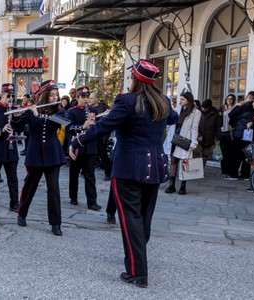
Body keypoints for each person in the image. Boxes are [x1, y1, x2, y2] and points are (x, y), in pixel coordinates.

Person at [69, 59, 178, 288]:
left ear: (135, 79)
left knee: (131, 220)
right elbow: (175, 118)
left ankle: (137, 272)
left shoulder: (128, 101)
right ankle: (136, 259)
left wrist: (78, 140)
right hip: (155, 166)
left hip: (129, 166)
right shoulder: (163, 101)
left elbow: (103, 127)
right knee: (144, 218)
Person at [15, 80, 67, 236]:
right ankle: (21, 213)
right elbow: (18, 127)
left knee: (54, 189)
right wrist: (17, 116)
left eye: (55, 94)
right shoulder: (32, 109)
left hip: (53, 154)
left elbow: (54, 125)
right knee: (30, 186)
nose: (54, 97)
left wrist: (37, 115)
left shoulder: (60, 111)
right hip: (35, 154)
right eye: (51, 94)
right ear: (44, 95)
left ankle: (56, 223)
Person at [66, 86, 101, 211]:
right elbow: (69, 127)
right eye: (83, 97)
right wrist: (82, 126)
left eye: (87, 97)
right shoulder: (72, 111)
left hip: (90, 147)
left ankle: (92, 201)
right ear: (77, 97)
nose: (86, 100)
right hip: (77, 146)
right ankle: (73, 197)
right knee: (74, 173)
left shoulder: (93, 111)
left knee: (90, 175)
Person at [165, 91, 201, 195]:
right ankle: (171, 185)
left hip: (185, 139)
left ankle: (183, 186)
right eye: (180, 99)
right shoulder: (177, 109)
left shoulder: (196, 112)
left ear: (188, 100)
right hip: (174, 138)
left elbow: (195, 128)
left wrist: (194, 143)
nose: (180, 101)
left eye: (182, 99)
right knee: (173, 160)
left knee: (185, 163)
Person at [225, 91, 254, 180]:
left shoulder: (244, 107)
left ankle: (233, 174)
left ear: (246, 97)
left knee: (235, 154)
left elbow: (231, 114)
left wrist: (238, 106)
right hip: (249, 135)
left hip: (239, 133)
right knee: (246, 154)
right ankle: (245, 174)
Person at [90, 92, 112, 181]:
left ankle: (108, 173)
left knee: (103, 154)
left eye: (91, 98)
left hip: (102, 134)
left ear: (96, 99)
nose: (89, 100)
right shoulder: (89, 108)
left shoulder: (103, 107)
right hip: (92, 133)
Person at [197, 99, 222, 167]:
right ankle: (195, 169)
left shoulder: (215, 113)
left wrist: (218, 137)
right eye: (202, 107)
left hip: (209, 137)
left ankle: (201, 168)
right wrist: (199, 135)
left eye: (205, 108)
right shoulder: (198, 112)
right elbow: (195, 125)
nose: (203, 109)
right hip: (198, 137)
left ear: (209, 108)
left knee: (205, 154)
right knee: (196, 153)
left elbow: (218, 126)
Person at [220, 94, 237, 176]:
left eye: (231, 99)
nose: (229, 100)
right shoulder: (223, 108)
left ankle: (228, 169)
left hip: (230, 132)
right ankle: (224, 169)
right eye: (228, 99)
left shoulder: (235, 108)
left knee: (229, 152)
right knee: (223, 152)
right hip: (222, 131)